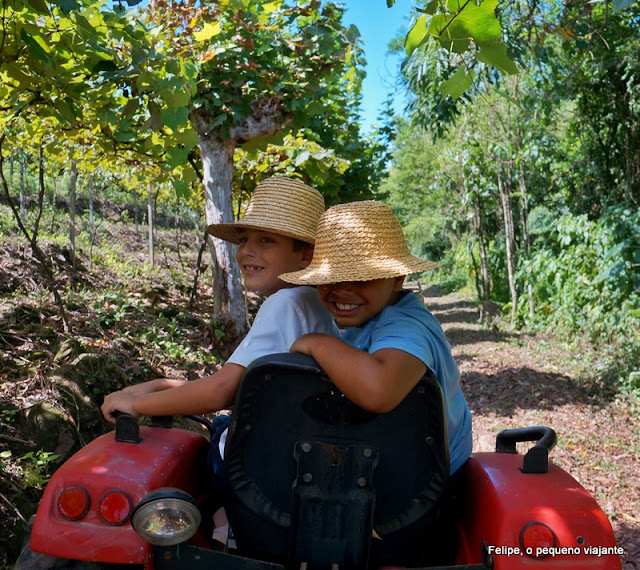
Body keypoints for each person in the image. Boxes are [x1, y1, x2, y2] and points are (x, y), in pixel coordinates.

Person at [100, 176, 339, 423]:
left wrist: (137, 404)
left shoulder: (284, 304)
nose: (246, 251)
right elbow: (243, 383)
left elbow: (221, 391)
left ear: (306, 256)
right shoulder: (312, 302)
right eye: (244, 239)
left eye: (266, 240)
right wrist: (162, 384)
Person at [279, 200, 472, 475]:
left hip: (429, 476)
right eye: (331, 277)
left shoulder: (408, 324)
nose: (343, 290)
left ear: (397, 279)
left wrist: (318, 342)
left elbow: (379, 390)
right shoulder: (369, 316)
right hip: (392, 449)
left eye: (361, 278)